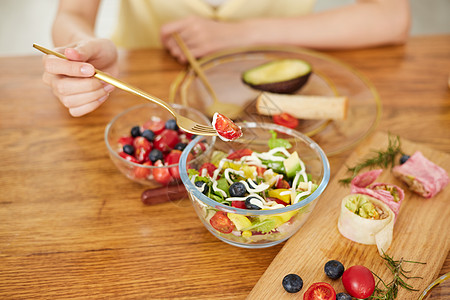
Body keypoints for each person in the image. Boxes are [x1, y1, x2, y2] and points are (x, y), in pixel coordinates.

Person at [42, 0, 410, 117]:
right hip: (140, 93)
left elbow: (390, 16)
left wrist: (241, 33)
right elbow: (72, 13)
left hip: (290, 98)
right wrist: (82, 49)